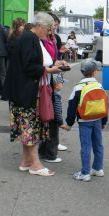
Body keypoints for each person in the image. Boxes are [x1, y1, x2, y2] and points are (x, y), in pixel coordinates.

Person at [3, 12, 64, 177]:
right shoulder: (30, 38)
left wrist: (52, 65)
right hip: (26, 91)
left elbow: (29, 63)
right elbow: (30, 66)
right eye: (49, 29)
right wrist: (49, 70)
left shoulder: (27, 37)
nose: (50, 32)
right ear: (41, 26)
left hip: (21, 91)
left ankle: (26, 161)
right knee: (30, 128)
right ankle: (35, 164)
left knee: (26, 127)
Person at [64, 58, 107, 182]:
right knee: (98, 144)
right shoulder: (99, 85)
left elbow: (72, 106)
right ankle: (98, 169)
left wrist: (69, 123)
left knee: (86, 146)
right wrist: (104, 121)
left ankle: (85, 173)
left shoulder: (78, 87)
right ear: (94, 72)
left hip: (84, 121)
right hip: (98, 119)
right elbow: (104, 104)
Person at [38, 16, 67, 162]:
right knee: (52, 115)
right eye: (53, 25)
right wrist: (55, 74)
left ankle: (50, 147)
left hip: (51, 78)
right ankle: (49, 151)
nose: (54, 27)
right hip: (47, 81)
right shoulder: (42, 39)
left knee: (51, 115)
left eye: (55, 25)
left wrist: (59, 63)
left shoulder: (53, 38)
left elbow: (52, 59)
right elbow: (45, 64)